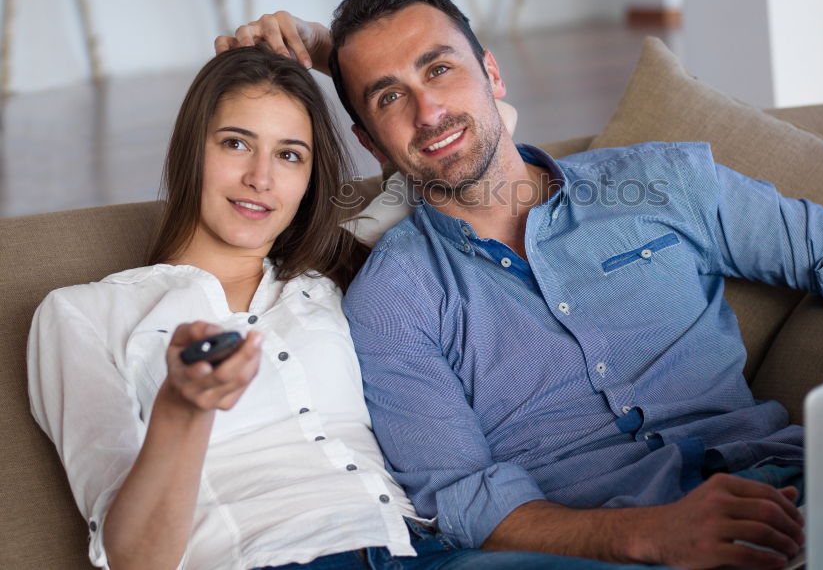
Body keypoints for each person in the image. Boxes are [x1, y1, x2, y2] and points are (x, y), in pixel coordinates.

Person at [217, 0, 823, 570]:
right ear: (371, 141)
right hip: (598, 548)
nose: (428, 110)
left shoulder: (661, 182)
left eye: (440, 69)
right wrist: (650, 536)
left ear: (491, 74)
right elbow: (464, 497)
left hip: (797, 498)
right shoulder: (394, 298)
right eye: (388, 97)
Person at [27, 46, 646, 570]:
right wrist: (182, 411)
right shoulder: (83, 314)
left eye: (290, 155)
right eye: (237, 143)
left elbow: (472, 142)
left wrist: (335, 56)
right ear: (191, 148)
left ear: (311, 178)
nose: (261, 178)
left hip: (425, 551)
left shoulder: (341, 277)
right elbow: (135, 556)